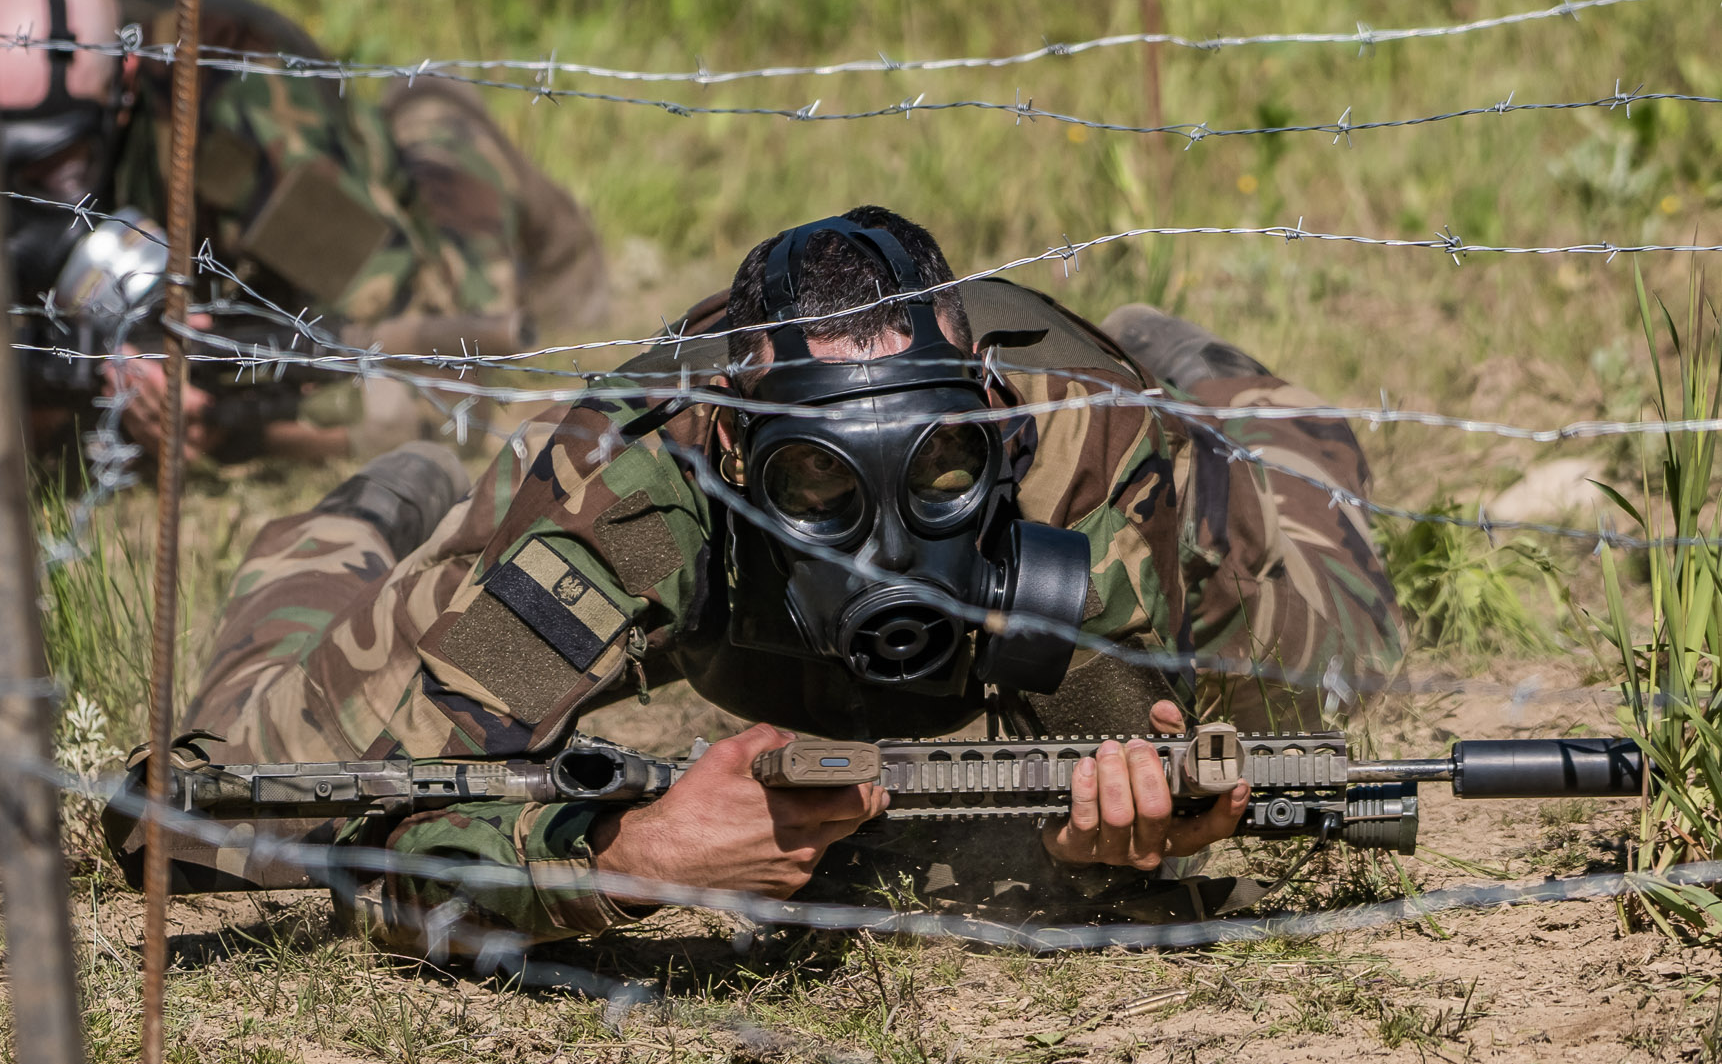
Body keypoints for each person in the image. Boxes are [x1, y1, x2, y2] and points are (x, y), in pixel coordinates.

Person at [173, 206, 1405, 943]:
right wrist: (632, 858)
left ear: (994, 428)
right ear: (729, 454)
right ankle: (362, 520)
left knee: (1333, 644)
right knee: (221, 819)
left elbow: (1212, 791)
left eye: (938, 468)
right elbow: (370, 848)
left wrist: (1147, 827)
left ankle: (1193, 360)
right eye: (815, 483)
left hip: (1118, 427)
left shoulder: (1083, 455)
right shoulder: (629, 503)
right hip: (681, 553)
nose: (886, 546)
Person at [0, 0, 605, 462]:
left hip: (280, 257)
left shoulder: (239, 115)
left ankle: (502, 190)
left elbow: (419, 351)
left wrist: (225, 416)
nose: (26, 202)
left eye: (57, 162)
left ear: (121, 90)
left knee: (471, 294)